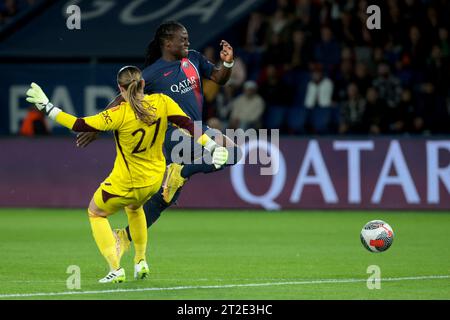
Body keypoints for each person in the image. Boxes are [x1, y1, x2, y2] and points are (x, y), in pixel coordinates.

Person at [25, 66, 228, 283]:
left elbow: (78, 123)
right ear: (143, 84)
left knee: (96, 213)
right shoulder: (162, 102)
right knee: (135, 208)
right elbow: (189, 125)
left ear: (120, 89)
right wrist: (213, 147)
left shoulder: (119, 113)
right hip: (153, 180)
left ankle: (115, 268)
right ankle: (140, 261)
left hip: (127, 183)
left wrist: (46, 107)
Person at [76, 21, 241, 259]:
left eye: (187, 38)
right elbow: (123, 99)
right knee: (168, 192)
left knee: (166, 198)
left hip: (197, 130)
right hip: (172, 134)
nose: (187, 42)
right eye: (182, 38)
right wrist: (95, 126)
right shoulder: (151, 74)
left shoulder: (193, 58)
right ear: (167, 43)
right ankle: (181, 172)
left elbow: (219, 77)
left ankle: (125, 236)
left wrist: (227, 62)